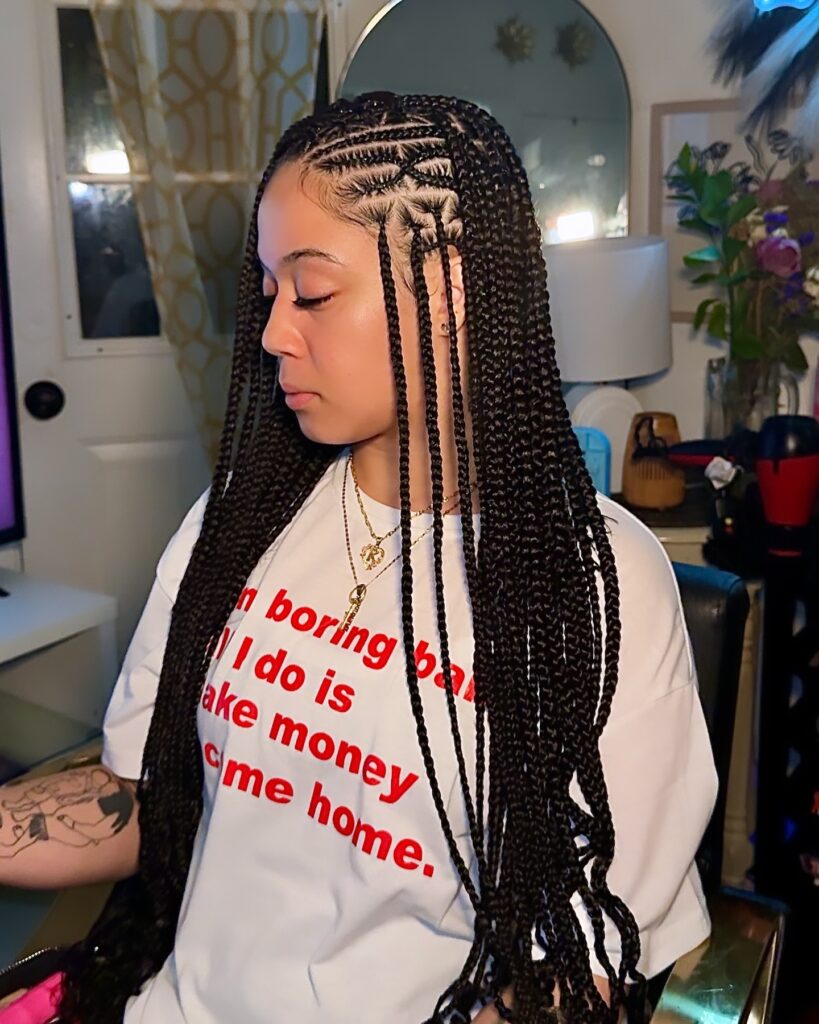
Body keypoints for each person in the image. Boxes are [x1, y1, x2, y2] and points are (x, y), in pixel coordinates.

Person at [0, 92, 717, 1024]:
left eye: (313, 291)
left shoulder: (595, 582)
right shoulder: (237, 522)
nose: (271, 334)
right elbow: (145, 799)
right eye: (267, 292)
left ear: (450, 288)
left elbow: (578, 965)